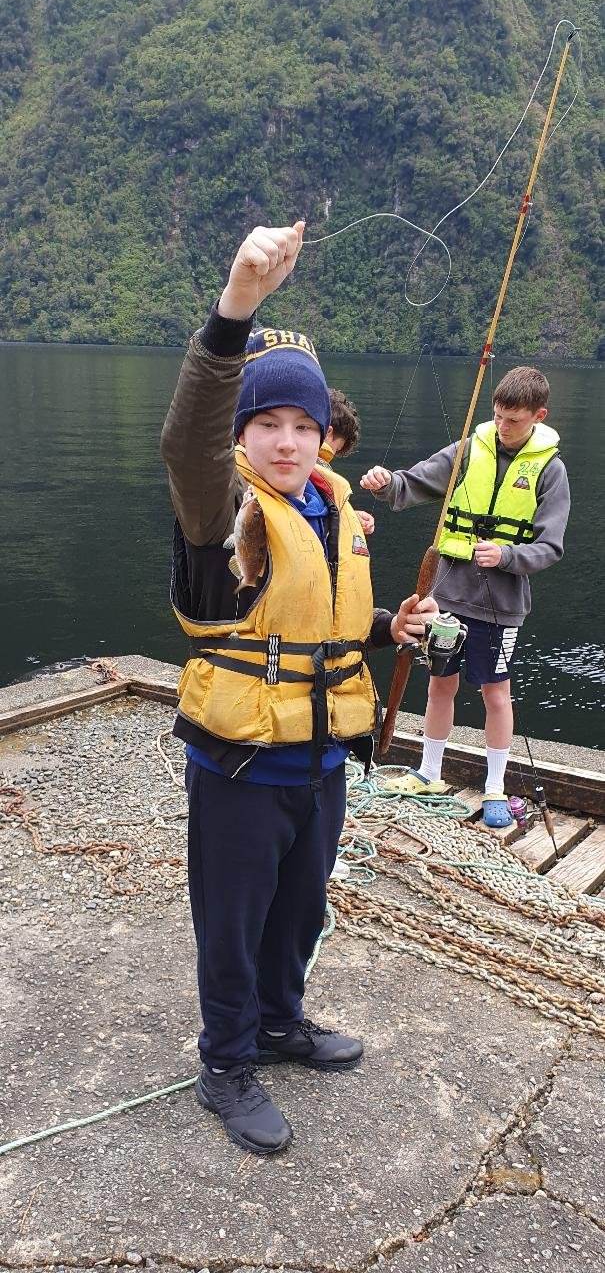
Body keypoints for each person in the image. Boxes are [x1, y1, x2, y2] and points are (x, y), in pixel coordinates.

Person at [161, 220, 438, 1156]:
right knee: (232, 924)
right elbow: (186, 442)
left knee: (300, 909)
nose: (286, 441)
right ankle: (225, 1064)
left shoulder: (330, 506)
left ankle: (280, 1023)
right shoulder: (219, 507)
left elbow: (313, 618)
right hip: (241, 765)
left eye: (303, 425)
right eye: (266, 423)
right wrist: (237, 305)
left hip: (321, 762)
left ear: (325, 433)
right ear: (240, 433)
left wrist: (385, 628)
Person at [360, 366, 570, 828]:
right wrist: (385, 482)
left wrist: (508, 555)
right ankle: (429, 772)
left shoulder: (550, 471)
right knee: (440, 684)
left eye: (514, 420)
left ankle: (494, 787)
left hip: (502, 605)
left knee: (496, 694)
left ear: (538, 416)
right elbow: (414, 482)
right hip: (447, 598)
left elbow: (550, 546)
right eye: (498, 416)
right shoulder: (470, 449)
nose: (503, 426)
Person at [320, 389, 375, 536]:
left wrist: (351, 515)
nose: (331, 456)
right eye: (336, 449)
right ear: (328, 432)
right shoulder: (314, 468)